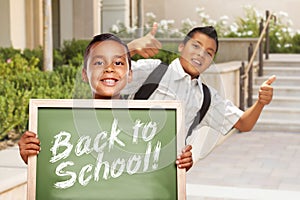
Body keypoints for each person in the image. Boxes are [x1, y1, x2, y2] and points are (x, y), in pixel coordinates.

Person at [18, 33, 193, 171]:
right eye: (99, 62)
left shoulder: (149, 124)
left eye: (118, 62)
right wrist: (31, 156)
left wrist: (180, 163)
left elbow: (160, 173)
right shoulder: (62, 123)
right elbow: (51, 172)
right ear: (85, 74)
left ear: (130, 74)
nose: (109, 68)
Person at [122, 25, 276, 160]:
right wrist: (130, 48)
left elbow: (244, 123)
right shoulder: (152, 71)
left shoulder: (206, 98)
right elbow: (100, 76)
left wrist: (260, 103)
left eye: (209, 53)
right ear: (181, 47)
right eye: (196, 46)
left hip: (164, 177)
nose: (201, 54)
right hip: (125, 161)